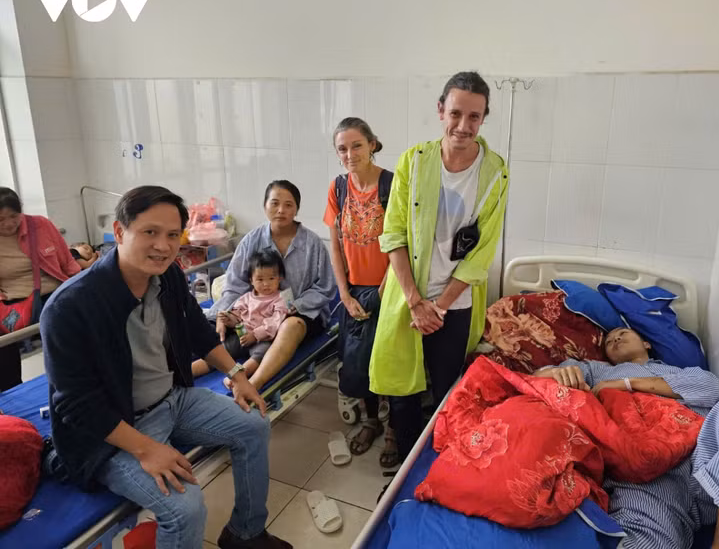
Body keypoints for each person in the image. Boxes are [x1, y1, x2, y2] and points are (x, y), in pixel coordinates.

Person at [41, 186, 292, 549]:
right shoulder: (71, 308)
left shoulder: (168, 277)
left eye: (173, 235)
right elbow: (76, 406)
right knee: (185, 508)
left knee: (253, 425)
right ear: (119, 232)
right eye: (150, 232)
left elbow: (196, 331)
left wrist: (238, 376)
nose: (163, 245)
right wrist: (145, 449)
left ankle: (246, 533)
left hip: (171, 400)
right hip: (112, 434)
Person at [535, 327, 719, 549]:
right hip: (645, 477)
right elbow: (538, 380)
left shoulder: (681, 370)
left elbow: (710, 390)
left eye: (623, 333)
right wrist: (556, 374)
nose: (616, 338)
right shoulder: (595, 370)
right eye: (609, 340)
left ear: (646, 344)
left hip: (705, 455)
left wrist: (624, 384)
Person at [369, 72, 509, 461]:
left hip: (456, 303)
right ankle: (404, 468)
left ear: (484, 118)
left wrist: (440, 307)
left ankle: (441, 466)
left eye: (475, 117)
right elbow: (393, 233)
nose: (463, 126)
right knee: (401, 390)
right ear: (440, 110)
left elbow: (480, 253)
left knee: (449, 389)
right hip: (407, 295)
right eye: (456, 114)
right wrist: (416, 301)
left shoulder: (495, 172)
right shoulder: (413, 163)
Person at [209, 180, 335, 390]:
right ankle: (179, 374)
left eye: (288, 205)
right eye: (275, 203)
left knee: (290, 326)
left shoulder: (312, 244)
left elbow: (325, 286)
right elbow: (235, 284)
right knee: (208, 329)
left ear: (296, 209)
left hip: (299, 314)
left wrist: (298, 306)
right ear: (265, 205)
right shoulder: (251, 241)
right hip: (255, 314)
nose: (281, 210)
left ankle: (253, 385)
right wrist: (224, 315)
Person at [323, 117, 397, 467]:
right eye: (343, 148)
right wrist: (345, 294)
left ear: (372, 144)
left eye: (356, 145)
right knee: (357, 363)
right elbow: (335, 245)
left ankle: (394, 430)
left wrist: (383, 292)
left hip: (390, 288)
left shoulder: (392, 186)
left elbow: (403, 244)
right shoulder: (338, 189)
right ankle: (370, 421)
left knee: (389, 360)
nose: (350, 153)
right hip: (352, 290)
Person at [0, 187, 81, 391]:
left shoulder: (40, 226)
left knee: (76, 334)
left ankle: (77, 382)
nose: (9, 224)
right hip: (12, 303)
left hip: (53, 293)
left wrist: (81, 287)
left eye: (13, 216)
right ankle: (10, 394)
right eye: (0, 220)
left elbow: (67, 261)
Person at [192, 248, 289, 386]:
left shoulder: (279, 299)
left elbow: (274, 323)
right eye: (260, 279)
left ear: (280, 278)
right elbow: (237, 315)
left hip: (263, 339)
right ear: (251, 280)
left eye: (271, 278)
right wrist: (229, 320)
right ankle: (186, 372)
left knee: (262, 355)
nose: (266, 284)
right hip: (241, 336)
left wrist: (255, 335)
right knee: (219, 352)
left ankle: (236, 377)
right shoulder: (246, 297)